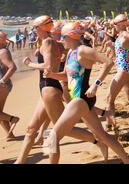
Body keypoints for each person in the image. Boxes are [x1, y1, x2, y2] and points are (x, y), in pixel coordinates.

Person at [15, 16, 107, 164]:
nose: (33, 30)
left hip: (50, 89)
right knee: (31, 129)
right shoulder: (52, 42)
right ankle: (19, 162)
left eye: (35, 27)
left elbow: (48, 66)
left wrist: (30, 64)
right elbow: (62, 54)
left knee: (60, 132)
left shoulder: (49, 42)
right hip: (46, 89)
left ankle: (98, 140)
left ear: (41, 28)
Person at [42, 22, 129, 164]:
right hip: (79, 99)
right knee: (101, 135)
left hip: (82, 99)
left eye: (62, 37)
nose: (60, 40)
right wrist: (52, 75)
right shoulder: (71, 52)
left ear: (70, 36)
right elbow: (67, 75)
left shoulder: (82, 50)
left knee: (52, 137)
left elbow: (108, 62)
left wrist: (96, 84)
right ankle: (128, 161)